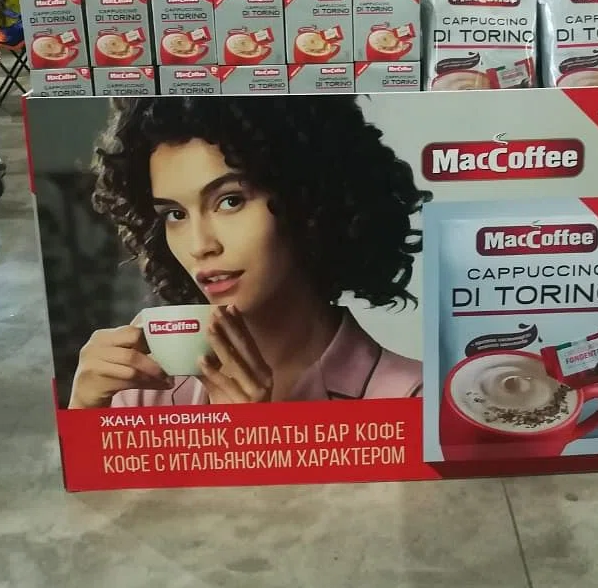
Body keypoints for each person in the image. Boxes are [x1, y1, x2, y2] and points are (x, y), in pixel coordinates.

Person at [69, 97, 427, 408]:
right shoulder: (142, 394)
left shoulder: (414, 398)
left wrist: (251, 441)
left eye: (230, 201)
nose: (199, 245)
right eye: (175, 214)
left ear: (308, 198)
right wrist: (84, 414)